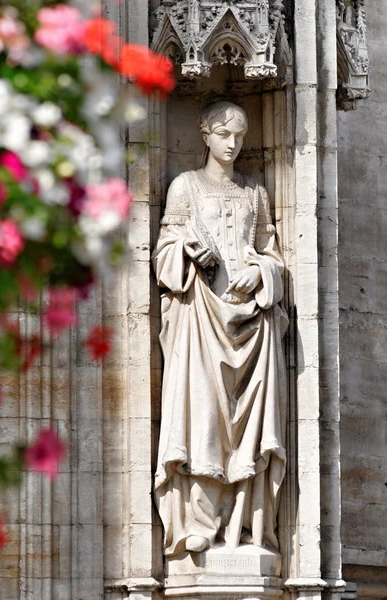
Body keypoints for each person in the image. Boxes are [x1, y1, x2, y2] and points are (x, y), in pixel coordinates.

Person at [152, 101, 288, 557]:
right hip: (201, 319)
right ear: (205, 134)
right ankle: (200, 521)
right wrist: (190, 254)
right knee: (203, 416)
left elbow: (271, 254)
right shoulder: (185, 187)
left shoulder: (255, 193)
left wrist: (263, 274)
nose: (233, 144)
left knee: (248, 424)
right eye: (224, 134)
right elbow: (164, 252)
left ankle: (244, 523)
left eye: (241, 135)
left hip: (251, 323)